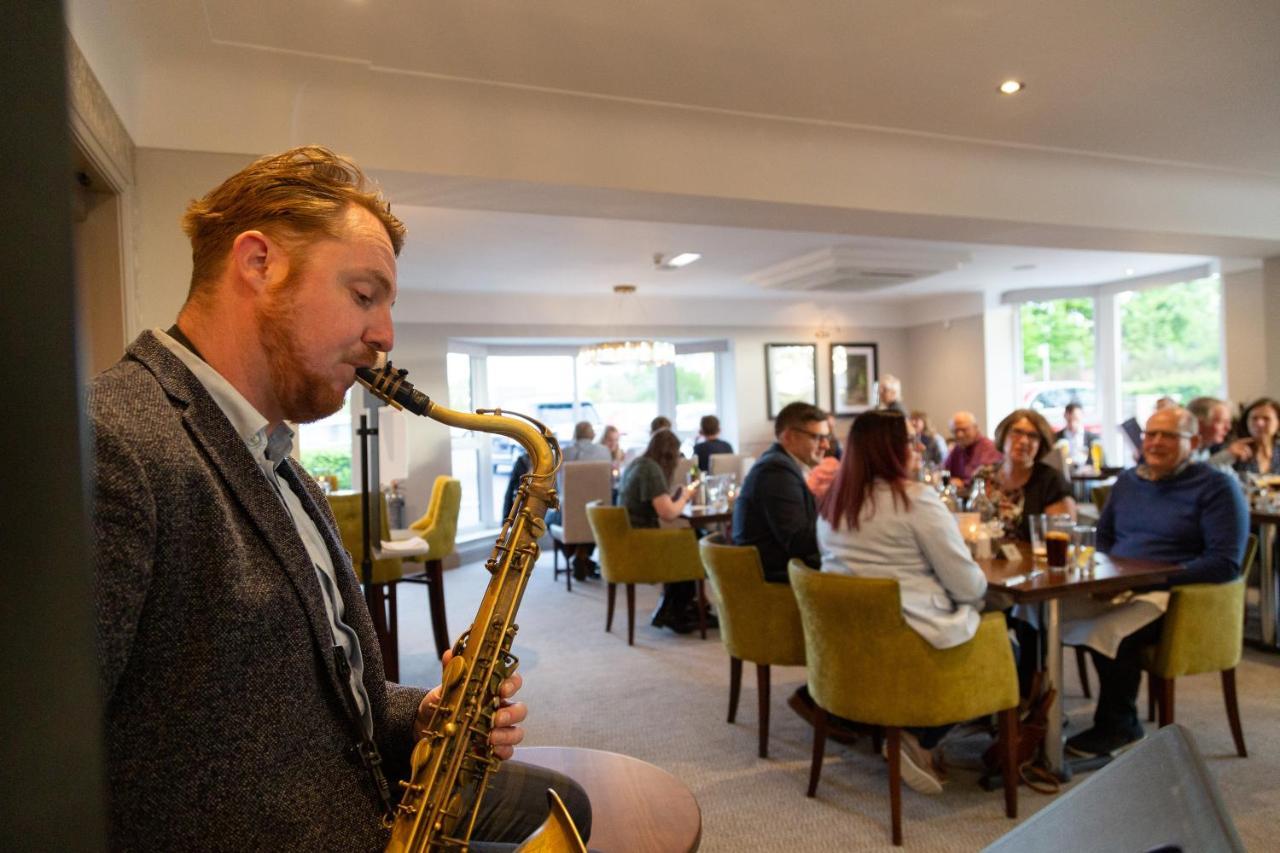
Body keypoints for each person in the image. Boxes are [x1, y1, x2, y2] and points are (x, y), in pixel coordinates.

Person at [89, 147, 590, 850]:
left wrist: (423, 716)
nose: (385, 337)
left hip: (359, 804)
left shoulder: (282, 464)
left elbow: (302, 696)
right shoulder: (111, 440)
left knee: (568, 803)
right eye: (364, 294)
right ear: (258, 263)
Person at [816, 411, 990, 794]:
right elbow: (969, 587)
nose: (918, 447)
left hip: (849, 644)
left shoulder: (832, 505)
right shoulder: (914, 501)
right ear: (892, 449)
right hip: (910, 642)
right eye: (911, 441)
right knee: (1008, 635)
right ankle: (925, 734)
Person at [1063, 406, 1248, 758]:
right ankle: (1034, 717)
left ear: (1193, 442)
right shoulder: (1130, 481)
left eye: (1168, 436)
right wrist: (1105, 575)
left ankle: (1120, 726)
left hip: (1177, 596)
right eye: (1150, 434)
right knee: (1045, 617)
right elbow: (1103, 537)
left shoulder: (1217, 486)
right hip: (1121, 585)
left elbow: (1224, 563)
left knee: (1110, 633)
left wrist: (1145, 580)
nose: (1155, 442)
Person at [731, 401, 829, 583]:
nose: (826, 445)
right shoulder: (776, 470)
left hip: (779, 570)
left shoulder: (782, 465)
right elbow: (797, 541)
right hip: (772, 581)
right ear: (789, 436)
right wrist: (842, 526)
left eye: (826, 437)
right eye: (817, 437)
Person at [618, 428, 699, 632]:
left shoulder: (638, 464)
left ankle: (675, 608)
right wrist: (685, 497)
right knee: (694, 545)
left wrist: (676, 498)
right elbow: (668, 514)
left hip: (630, 538)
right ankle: (676, 611)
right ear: (670, 454)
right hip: (643, 542)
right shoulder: (651, 470)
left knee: (692, 540)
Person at [974, 409, 1076, 541]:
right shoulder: (983, 476)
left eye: (1033, 436)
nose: (1023, 441)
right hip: (984, 558)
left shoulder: (1052, 481)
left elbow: (1061, 539)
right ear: (1003, 435)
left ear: (1041, 444)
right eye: (1017, 432)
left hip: (1032, 560)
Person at [1220, 397, 1280, 476]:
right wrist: (1227, 456)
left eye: (1266, 419)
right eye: (1254, 418)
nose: (1259, 423)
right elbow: (1207, 474)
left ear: (1278, 423)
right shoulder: (1234, 449)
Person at [942, 410, 1002, 485]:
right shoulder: (958, 448)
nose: (959, 434)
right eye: (956, 431)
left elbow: (986, 479)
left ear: (975, 428)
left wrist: (964, 483)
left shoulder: (989, 448)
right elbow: (945, 469)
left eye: (964, 430)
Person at [1054, 402, 1100, 469]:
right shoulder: (1055, 438)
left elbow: (1099, 463)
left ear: (1082, 416)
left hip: (1088, 476)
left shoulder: (1093, 438)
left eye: (1075, 419)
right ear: (1065, 416)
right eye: (1069, 420)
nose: (1073, 423)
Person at [1187, 396, 1233, 460]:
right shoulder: (1183, 452)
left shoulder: (1205, 449)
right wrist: (1225, 457)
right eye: (1221, 422)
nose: (1228, 428)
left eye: (1228, 422)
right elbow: (1195, 469)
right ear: (1198, 424)